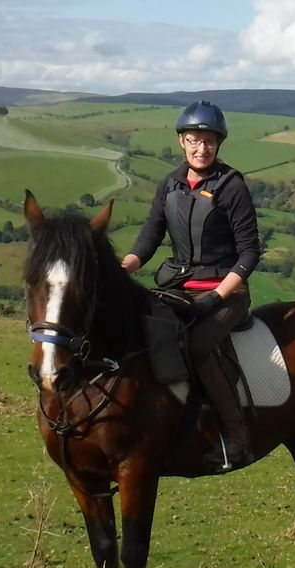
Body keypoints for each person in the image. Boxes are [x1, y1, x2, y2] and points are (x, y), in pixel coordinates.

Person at [122, 100, 262, 470]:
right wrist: (122, 268)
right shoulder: (169, 185)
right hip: (179, 288)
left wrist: (217, 295)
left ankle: (236, 437)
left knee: (198, 346)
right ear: (182, 141)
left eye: (210, 142)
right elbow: (147, 242)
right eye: (195, 140)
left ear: (219, 144)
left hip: (227, 292)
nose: (203, 149)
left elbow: (249, 252)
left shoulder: (232, 187)